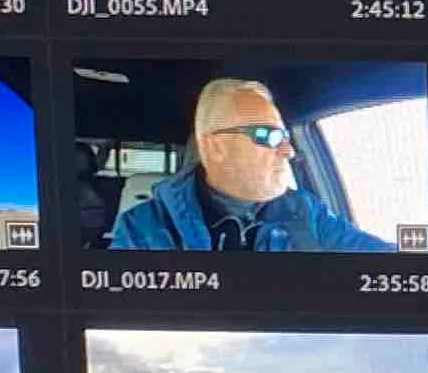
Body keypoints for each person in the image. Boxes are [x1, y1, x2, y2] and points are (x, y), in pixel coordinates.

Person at [109, 76, 394, 251]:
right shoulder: (143, 229)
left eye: (284, 136)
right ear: (215, 147)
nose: (288, 151)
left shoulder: (307, 212)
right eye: (268, 135)